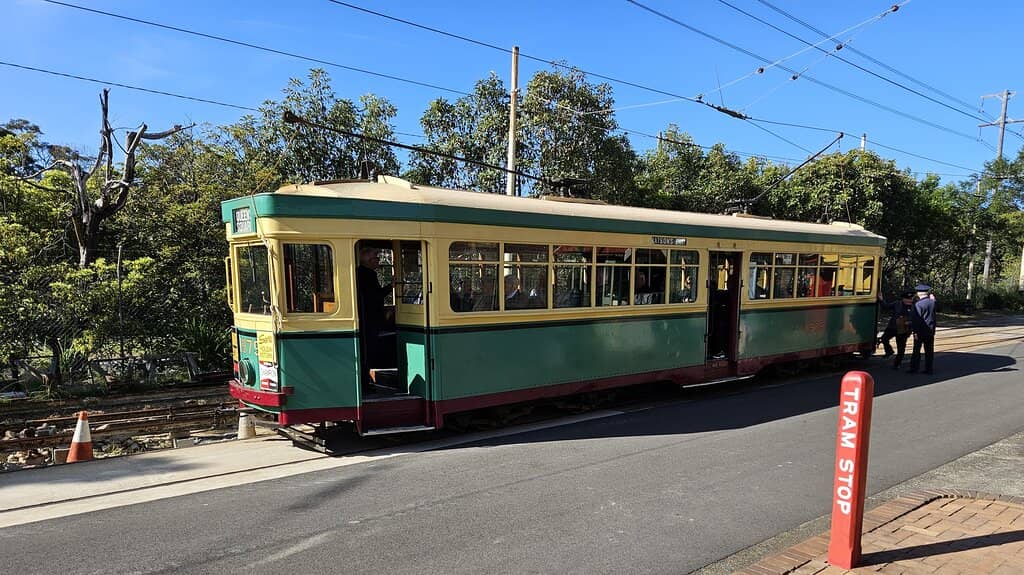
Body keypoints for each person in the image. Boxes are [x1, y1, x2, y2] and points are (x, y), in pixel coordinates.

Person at [356, 246, 393, 388]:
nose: (379, 261)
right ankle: (365, 383)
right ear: (369, 260)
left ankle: (365, 381)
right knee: (369, 351)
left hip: (366, 318)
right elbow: (375, 296)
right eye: (377, 258)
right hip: (369, 320)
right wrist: (391, 287)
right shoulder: (368, 275)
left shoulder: (361, 273)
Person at [877, 290, 914, 369]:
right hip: (893, 327)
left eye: (910, 299)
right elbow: (886, 306)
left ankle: (897, 363)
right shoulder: (897, 304)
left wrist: (910, 323)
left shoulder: (914, 306)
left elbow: (917, 318)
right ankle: (889, 351)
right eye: (907, 299)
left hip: (904, 330)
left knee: (901, 348)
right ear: (903, 299)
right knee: (884, 339)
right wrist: (881, 299)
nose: (909, 301)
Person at [908, 284, 936, 374]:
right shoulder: (933, 302)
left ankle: (914, 368)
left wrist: (915, 331)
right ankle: (929, 369)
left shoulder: (918, 305)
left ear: (918, 293)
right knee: (929, 351)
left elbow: (915, 320)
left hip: (919, 331)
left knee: (916, 350)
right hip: (930, 330)